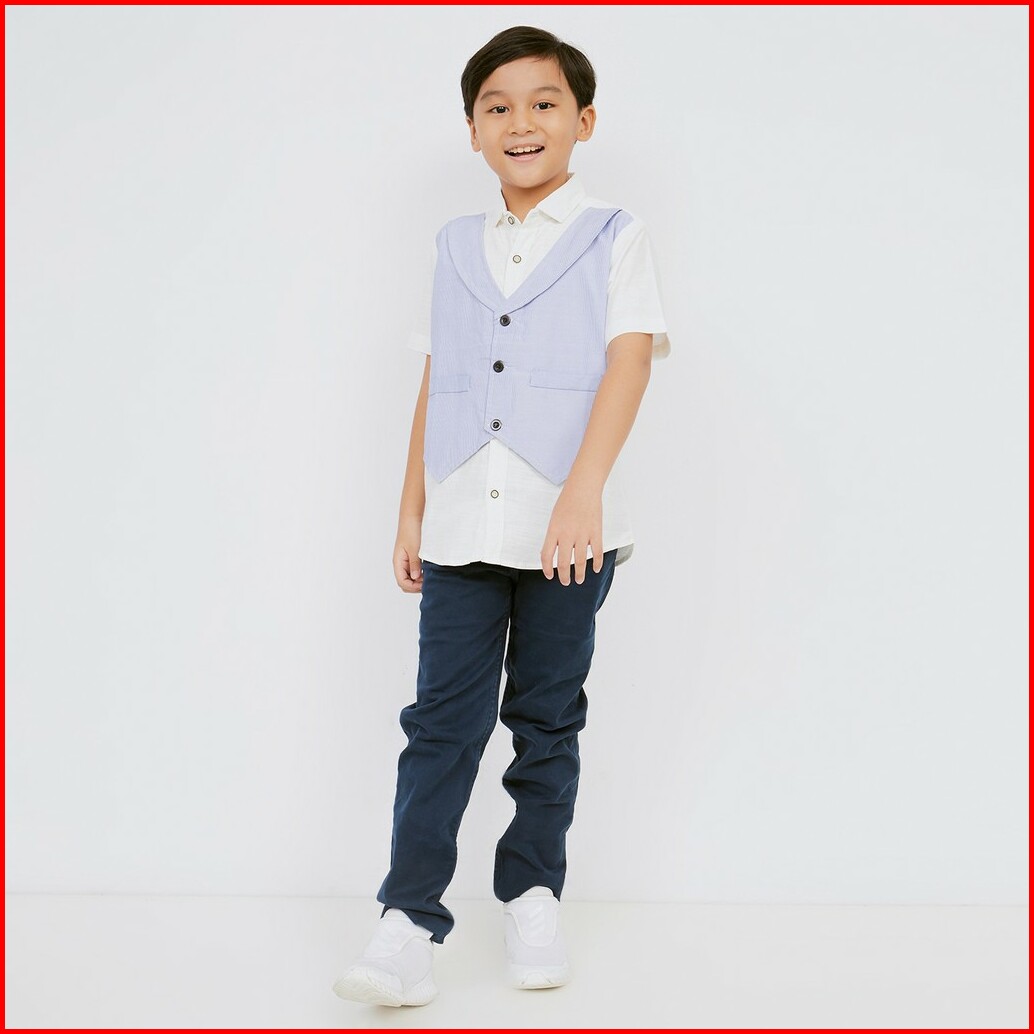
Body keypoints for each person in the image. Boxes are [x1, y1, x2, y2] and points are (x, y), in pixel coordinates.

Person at [332, 24, 671, 1007]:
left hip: (569, 524)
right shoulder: (453, 243)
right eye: (497, 106)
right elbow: (438, 376)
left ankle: (530, 893)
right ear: (474, 130)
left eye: (543, 103)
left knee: (545, 717)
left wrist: (582, 489)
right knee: (440, 722)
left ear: (583, 121)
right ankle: (407, 921)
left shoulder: (614, 234)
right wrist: (411, 510)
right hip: (461, 522)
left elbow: (629, 360)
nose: (521, 121)